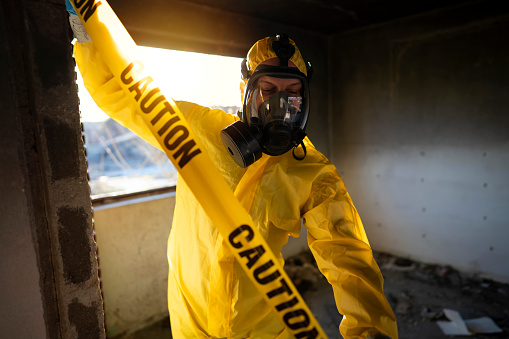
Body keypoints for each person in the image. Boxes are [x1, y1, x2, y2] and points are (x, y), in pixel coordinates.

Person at [67, 3, 398, 338]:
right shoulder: (199, 130)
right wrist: (90, 35)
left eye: (293, 93)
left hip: (261, 329)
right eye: (268, 90)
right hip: (190, 323)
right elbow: (123, 94)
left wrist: (370, 329)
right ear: (246, 91)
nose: (280, 105)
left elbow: (348, 259)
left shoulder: (312, 172)